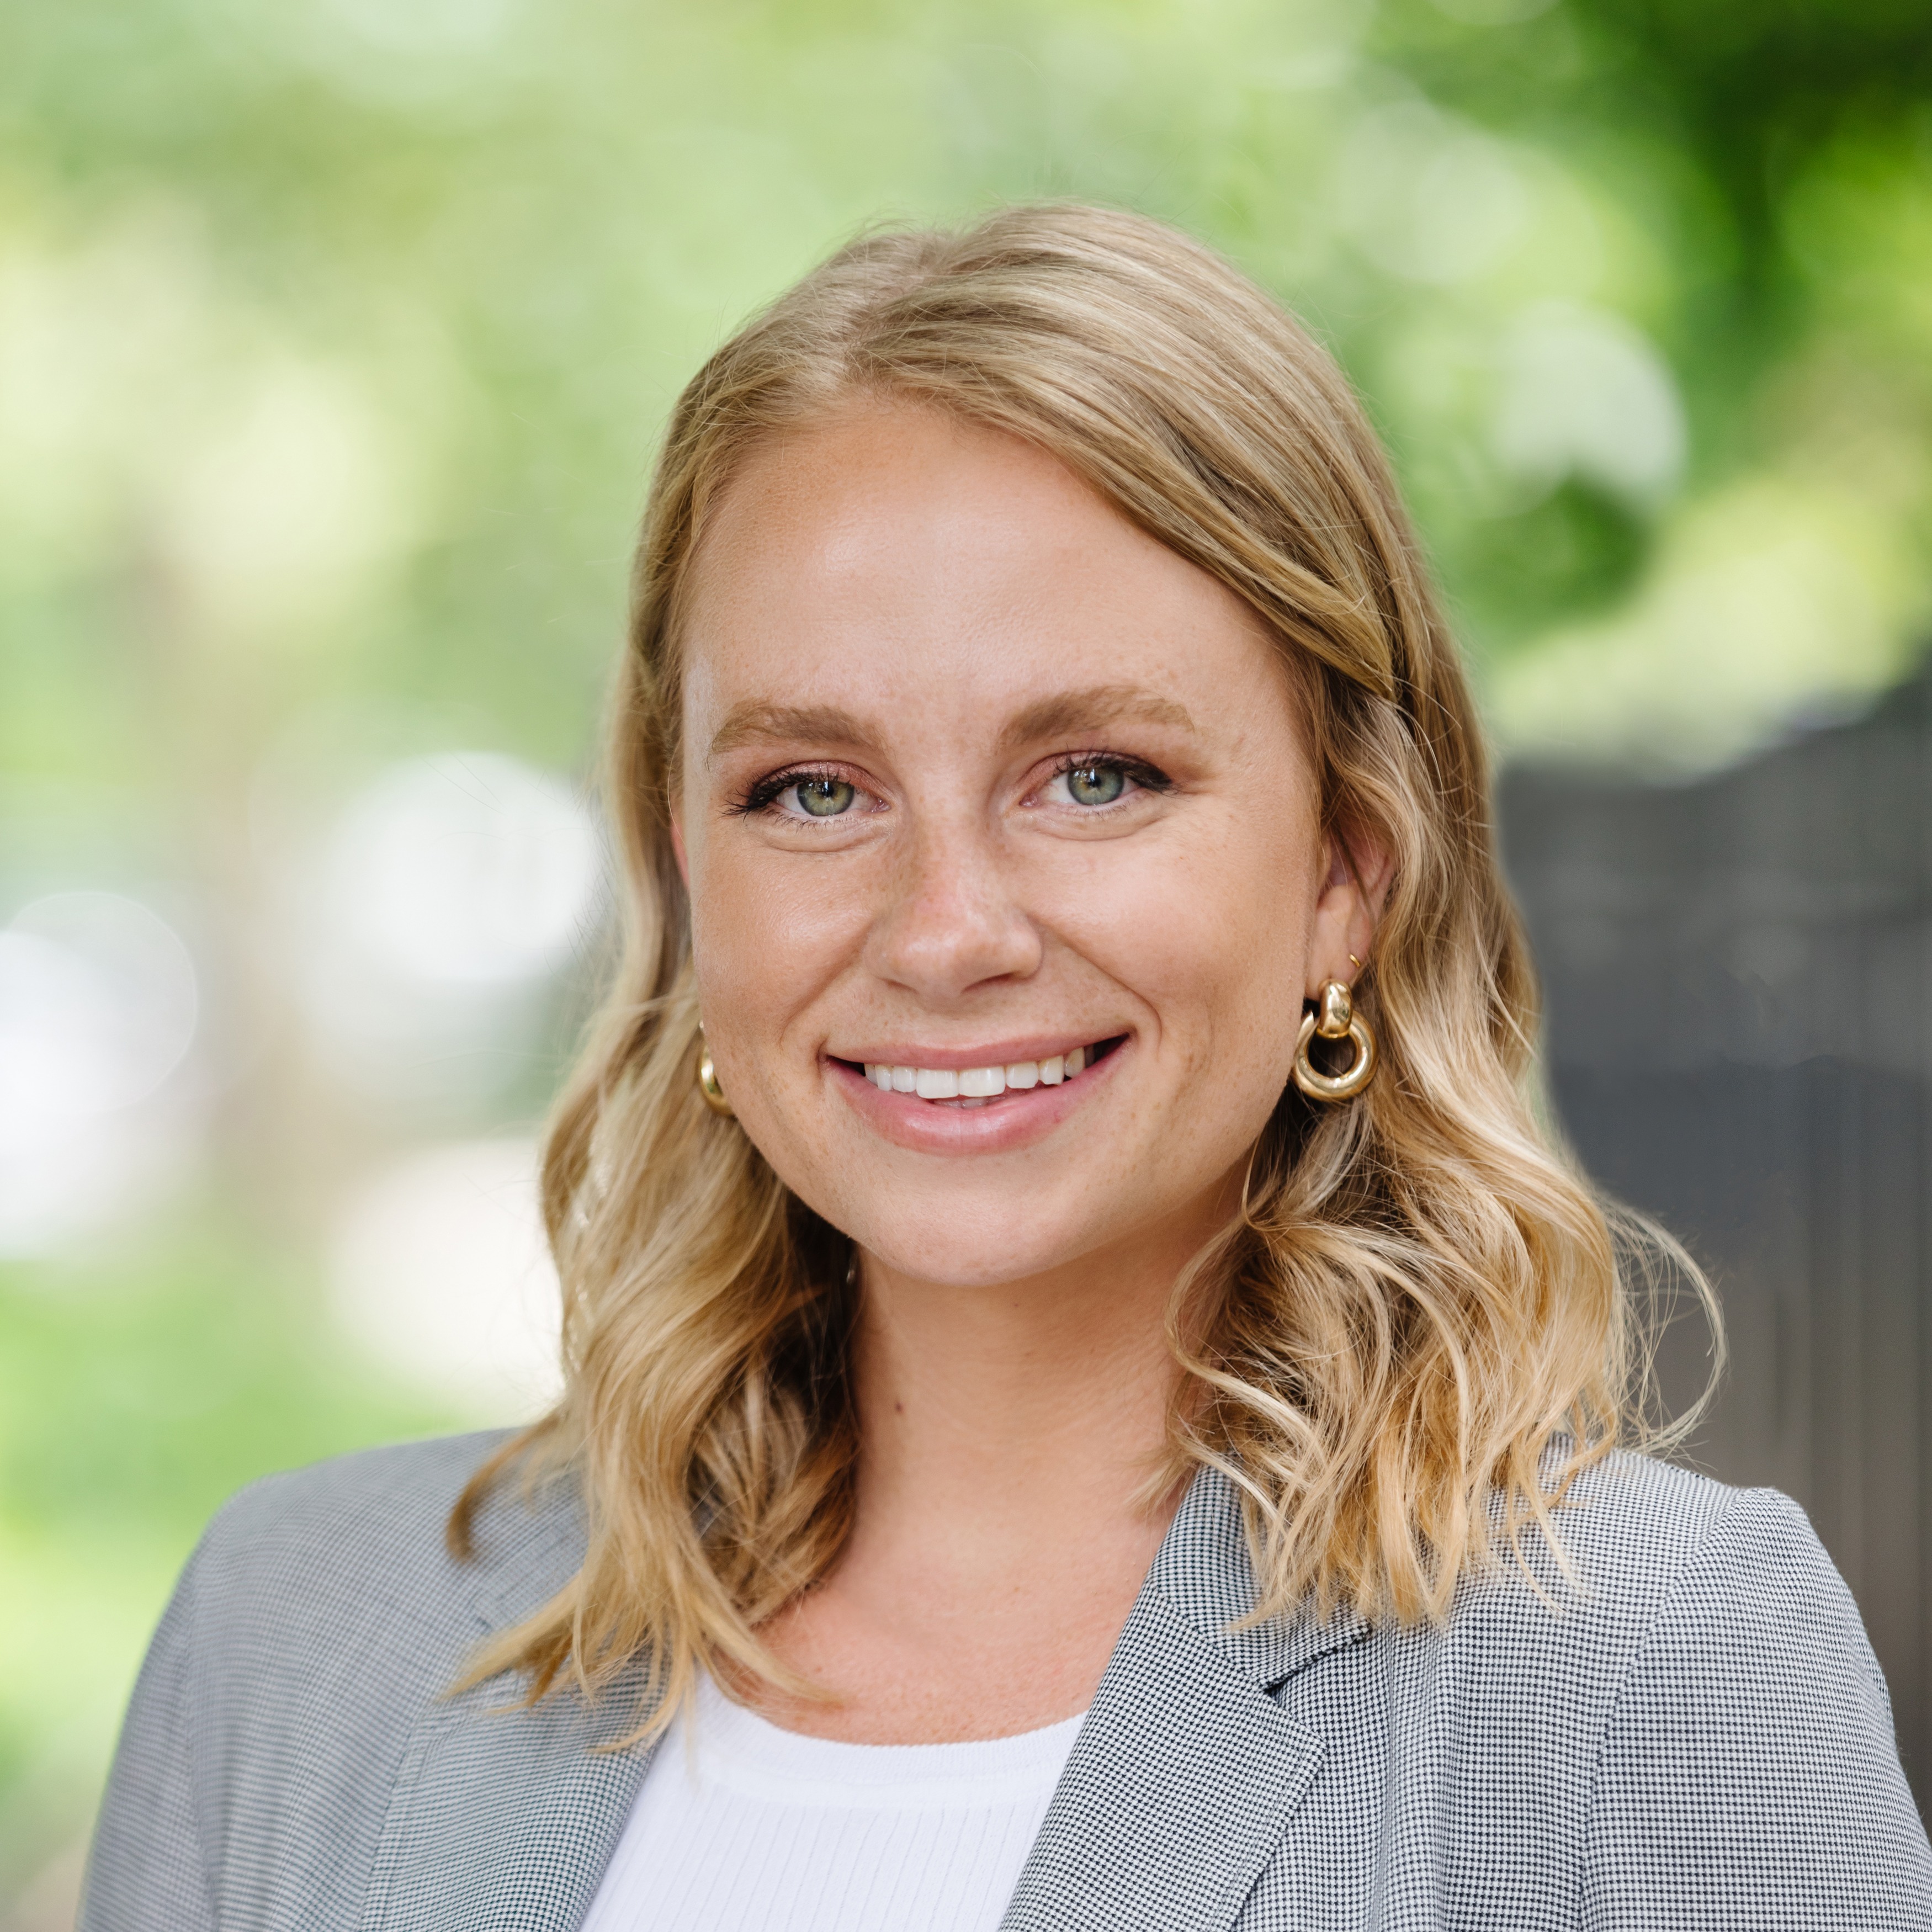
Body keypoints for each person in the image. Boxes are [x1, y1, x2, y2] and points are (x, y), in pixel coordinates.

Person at [80, 204, 1930, 1932]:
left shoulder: (1647, 1676)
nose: (946, 928)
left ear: (1346, 867)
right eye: (812, 788)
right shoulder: (291, 1638)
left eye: (1097, 774)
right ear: (680, 867)